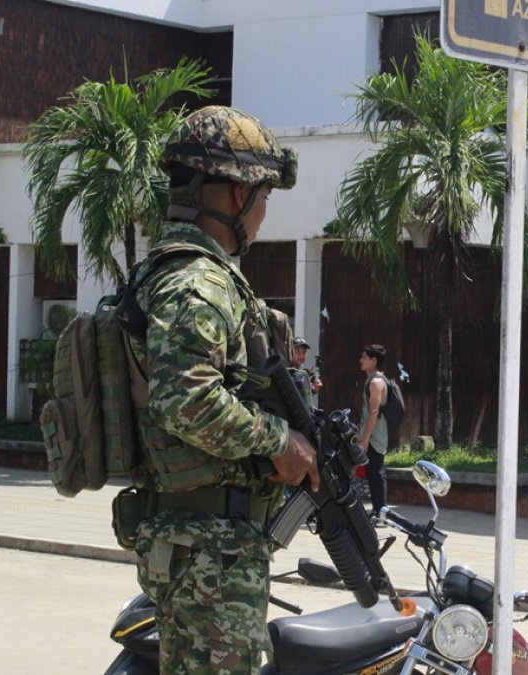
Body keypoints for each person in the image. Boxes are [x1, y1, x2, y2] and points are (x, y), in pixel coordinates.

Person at [131, 105, 320, 674]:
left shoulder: (179, 271)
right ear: (237, 196)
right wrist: (279, 441)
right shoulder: (198, 281)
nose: (264, 215)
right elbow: (184, 398)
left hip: (205, 542)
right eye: (264, 198)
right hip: (208, 547)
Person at [358, 344, 389, 516]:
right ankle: (379, 510)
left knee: (376, 473)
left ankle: (380, 511)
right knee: (373, 472)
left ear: (373, 360)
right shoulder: (372, 380)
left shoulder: (376, 382)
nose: (360, 360)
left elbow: (374, 411)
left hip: (375, 436)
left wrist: (365, 438)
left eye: (364, 357)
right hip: (372, 434)